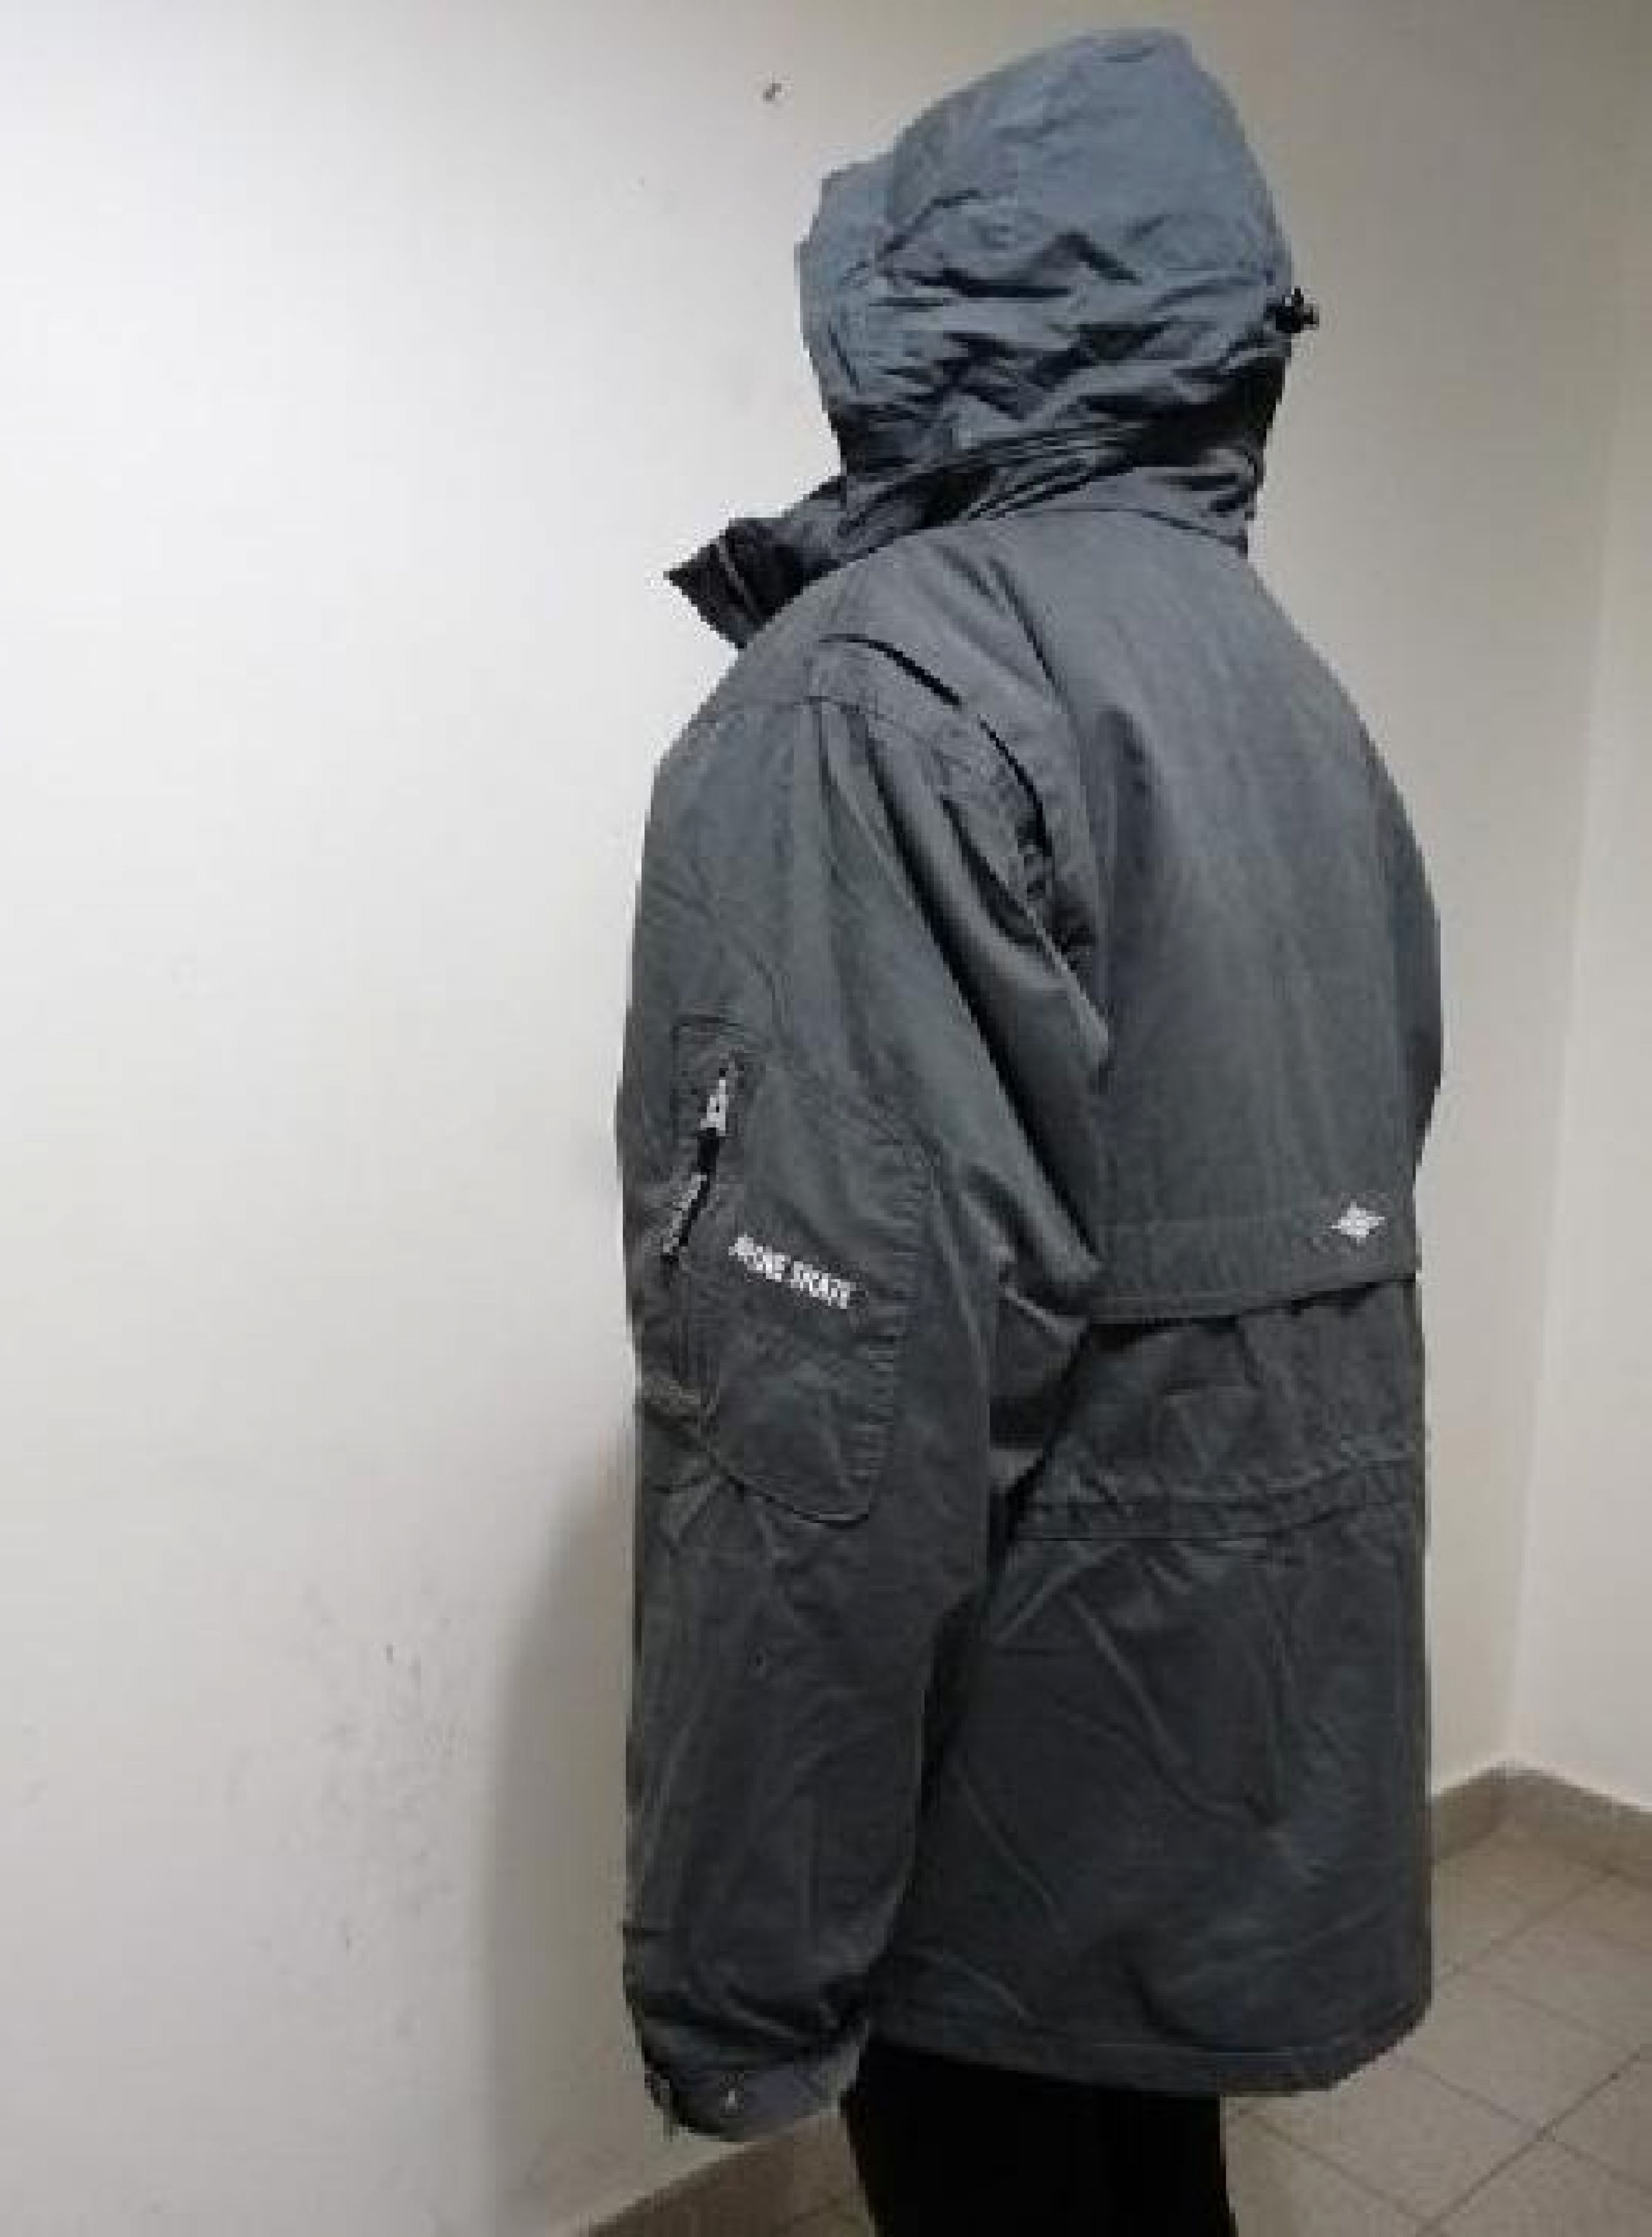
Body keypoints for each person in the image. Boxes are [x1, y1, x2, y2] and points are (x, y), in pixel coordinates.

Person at [611, 26, 1441, 2235]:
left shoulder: (876, 694)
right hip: (1222, 1751)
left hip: (1008, 1798)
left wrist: (738, 1968)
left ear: (911, 319)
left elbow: (821, 1418)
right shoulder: (1284, 693)